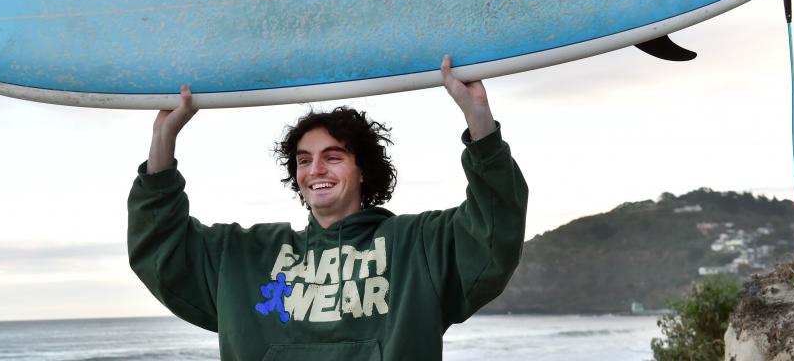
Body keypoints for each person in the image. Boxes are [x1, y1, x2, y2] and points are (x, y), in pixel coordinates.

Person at [127, 55, 528, 360]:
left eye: (333, 157)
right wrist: (163, 140)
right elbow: (162, 253)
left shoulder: (418, 246)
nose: (315, 169)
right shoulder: (244, 254)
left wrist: (480, 122)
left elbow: (494, 227)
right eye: (304, 160)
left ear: (363, 171)